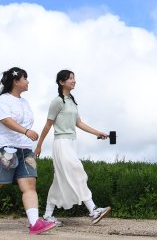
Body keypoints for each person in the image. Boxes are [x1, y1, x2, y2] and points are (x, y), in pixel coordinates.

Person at [0, 67, 56, 235]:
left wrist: (26, 136)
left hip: (24, 150)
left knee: (29, 185)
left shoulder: (24, 102)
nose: (28, 82)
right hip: (5, 149)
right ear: (16, 81)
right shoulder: (2, 101)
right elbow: (6, 120)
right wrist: (26, 131)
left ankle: (34, 223)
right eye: (25, 78)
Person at [35, 69, 112, 226]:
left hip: (71, 143)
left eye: (74, 78)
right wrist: (39, 146)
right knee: (77, 171)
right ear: (61, 82)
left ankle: (47, 216)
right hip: (61, 143)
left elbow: (79, 123)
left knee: (59, 180)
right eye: (70, 78)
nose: (74, 80)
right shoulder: (58, 101)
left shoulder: (72, 101)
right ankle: (93, 210)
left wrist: (98, 132)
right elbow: (48, 124)